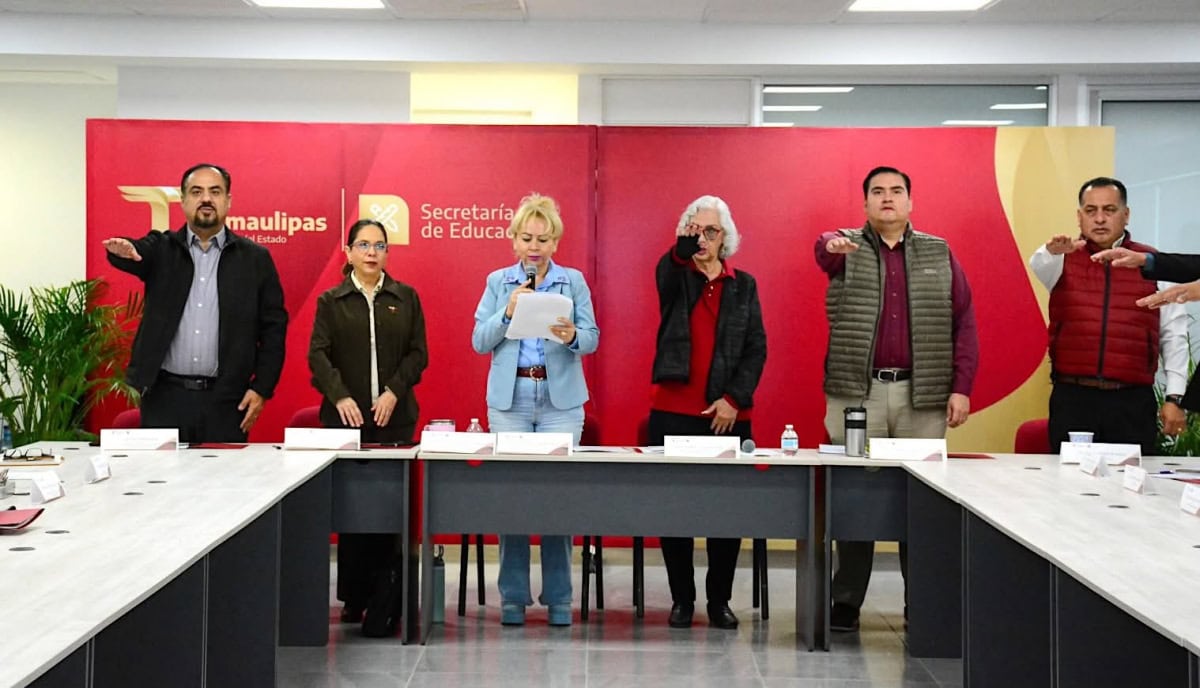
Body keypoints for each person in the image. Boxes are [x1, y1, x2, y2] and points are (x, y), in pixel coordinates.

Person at [815, 166, 978, 632]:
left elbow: (964, 321)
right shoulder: (846, 247)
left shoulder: (938, 252)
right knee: (854, 498)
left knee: (921, 501)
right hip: (857, 391)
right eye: (877, 192)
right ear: (865, 203)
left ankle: (921, 601)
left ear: (910, 201)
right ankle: (845, 600)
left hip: (921, 394)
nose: (887, 198)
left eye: (896, 191)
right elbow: (823, 248)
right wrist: (832, 243)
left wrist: (961, 386)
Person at [470, 193, 599, 627]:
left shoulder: (572, 281)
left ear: (555, 243)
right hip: (512, 402)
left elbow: (592, 338)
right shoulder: (498, 282)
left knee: (556, 500)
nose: (534, 247)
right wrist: (507, 313)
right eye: (527, 238)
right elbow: (479, 341)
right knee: (514, 499)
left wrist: (571, 335)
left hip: (560, 402)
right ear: (514, 240)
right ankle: (513, 597)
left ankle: (559, 598)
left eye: (543, 239)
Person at [103, 163, 288, 443]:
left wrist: (262, 388)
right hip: (164, 398)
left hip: (227, 401)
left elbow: (274, 329)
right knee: (160, 472)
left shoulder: (255, 259)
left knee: (222, 473)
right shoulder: (162, 248)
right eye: (197, 191)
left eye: (215, 191)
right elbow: (137, 252)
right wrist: (125, 251)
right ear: (183, 200)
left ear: (228, 200)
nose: (206, 199)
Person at [649, 195, 767, 630]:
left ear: (725, 238)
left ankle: (719, 600)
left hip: (727, 415)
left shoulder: (744, 285)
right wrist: (681, 250)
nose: (703, 239)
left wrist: (734, 399)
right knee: (673, 512)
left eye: (711, 231)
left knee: (725, 513)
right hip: (673, 411)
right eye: (695, 230)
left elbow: (756, 348)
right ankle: (682, 599)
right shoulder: (675, 275)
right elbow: (667, 271)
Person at [308, 218, 429, 623]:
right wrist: (339, 395)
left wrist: (394, 391)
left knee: (388, 510)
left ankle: (386, 598)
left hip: (395, 420)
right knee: (355, 511)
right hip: (346, 421)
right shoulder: (331, 301)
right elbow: (318, 355)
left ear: (387, 253)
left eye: (379, 245)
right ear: (348, 252)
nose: (372, 253)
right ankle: (353, 597)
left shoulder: (406, 297)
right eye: (363, 245)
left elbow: (418, 353)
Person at [1030, 176, 1188, 452]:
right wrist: (1050, 251)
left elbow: (1173, 336)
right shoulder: (1061, 260)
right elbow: (1039, 264)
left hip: (1131, 402)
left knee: (1132, 479)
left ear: (1126, 215)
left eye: (1109, 210)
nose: (1100, 219)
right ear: (1079, 217)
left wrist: (1175, 398)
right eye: (1091, 211)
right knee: (1069, 478)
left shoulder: (1153, 264)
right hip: (1073, 399)